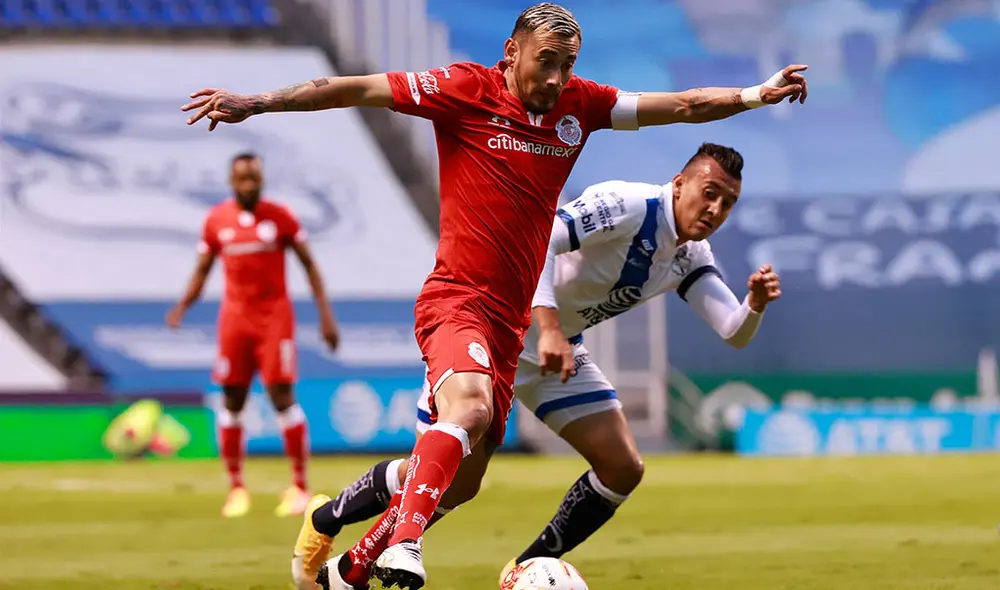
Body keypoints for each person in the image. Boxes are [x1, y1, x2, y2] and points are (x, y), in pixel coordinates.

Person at [181, 4, 806, 588]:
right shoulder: (462, 89)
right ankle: (405, 544)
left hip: (509, 328)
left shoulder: (579, 107)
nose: (559, 78)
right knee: (471, 410)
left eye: (569, 65)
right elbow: (354, 88)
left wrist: (757, 94)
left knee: (459, 484)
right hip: (458, 298)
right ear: (512, 53)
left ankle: (344, 563)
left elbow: (688, 106)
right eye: (547, 62)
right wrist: (257, 102)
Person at [304, 142, 782, 587]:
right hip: (497, 330)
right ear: (680, 183)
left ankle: (524, 568)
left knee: (622, 467)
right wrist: (549, 326)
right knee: (446, 483)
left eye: (728, 203)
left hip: (557, 353)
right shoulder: (630, 204)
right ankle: (329, 527)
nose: (715, 209)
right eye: (709, 193)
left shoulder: (691, 254)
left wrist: (754, 304)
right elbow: (542, 238)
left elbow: (732, 330)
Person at [166, 152, 340, 519]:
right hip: (235, 319)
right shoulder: (216, 221)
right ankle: (236, 488)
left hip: (274, 318)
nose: (249, 185)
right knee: (232, 398)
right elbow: (202, 270)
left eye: (254, 179)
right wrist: (182, 306)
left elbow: (310, 265)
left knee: (281, 394)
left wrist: (326, 317)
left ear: (262, 180)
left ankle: (299, 487)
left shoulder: (281, 217)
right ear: (231, 182)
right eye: (242, 179)